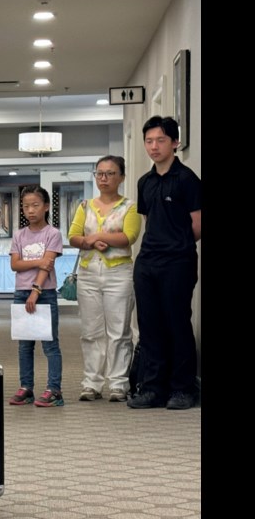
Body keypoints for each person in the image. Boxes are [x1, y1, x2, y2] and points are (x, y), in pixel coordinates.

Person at [128, 116, 202, 410]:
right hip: (147, 263)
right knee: (149, 326)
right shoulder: (144, 182)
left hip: (178, 262)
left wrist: (177, 245)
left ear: (175, 142)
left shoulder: (187, 180)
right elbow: (149, 222)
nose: (154, 146)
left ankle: (183, 388)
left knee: (177, 323)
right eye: (149, 141)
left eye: (160, 140)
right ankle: (153, 388)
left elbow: (197, 225)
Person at [68, 156, 142, 403]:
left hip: (119, 274)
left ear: (121, 177)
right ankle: (92, 383)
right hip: (88, 274)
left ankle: (119, 384)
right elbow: (73, 237)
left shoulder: (129, 207)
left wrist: (96, 237)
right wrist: (89, 241)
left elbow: (128, 236)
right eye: (99, 173)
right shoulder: (84, 205)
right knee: (91, 331)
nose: (104, 178)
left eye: (110, 173)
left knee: (119, 331)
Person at [8, 186, 64, 408]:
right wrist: (37, 261)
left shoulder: (53, 234)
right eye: (26, 206)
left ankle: (54, 389)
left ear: (46, 206)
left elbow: (47, 265)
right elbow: (15, 264)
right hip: (20, 293)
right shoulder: (19, 235)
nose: (30, 210)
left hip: (44, 292)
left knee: (50, 345)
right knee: (25, 345)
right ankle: (26, 387)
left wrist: (36, 291)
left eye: (35, 205)